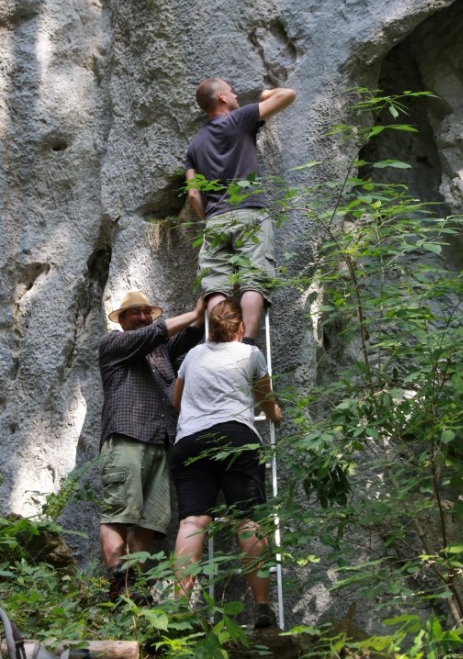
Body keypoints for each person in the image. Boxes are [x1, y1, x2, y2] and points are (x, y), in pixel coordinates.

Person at [171, 299, 283, 629]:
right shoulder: (250, 354)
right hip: (236, 437)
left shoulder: (193, 355)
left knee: (192, 522)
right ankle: (262, 607)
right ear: (238, 327)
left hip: (190, 441)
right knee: (247, 520)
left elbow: (177, 401)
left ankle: (179, 607)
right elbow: (265, 397)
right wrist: (275, 415)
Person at [98, 290, 204, 602]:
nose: (143, 317)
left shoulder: (160, 352)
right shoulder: (112, 344)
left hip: (160, 444)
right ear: (122, 319)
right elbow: (160, 331)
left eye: (147, 312)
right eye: (135, 313)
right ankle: (119, 587)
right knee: (119, 515)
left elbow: (192, 334)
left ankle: (135, 591)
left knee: (149, 523)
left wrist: (213, 299)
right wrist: (195, 312)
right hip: (126, 439)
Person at [186, 78, 297, 343]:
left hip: (215, 219)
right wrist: (266, 93)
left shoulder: (194, 146)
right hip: (249, 211)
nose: (236, 95)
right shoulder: (240, 119)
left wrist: (210, 217)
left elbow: (193, 194)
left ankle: (221, 342)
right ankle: (246, 341)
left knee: (215, 285)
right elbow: (289, 95)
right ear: (222, 97)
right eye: (232, 91)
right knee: (253, 278)